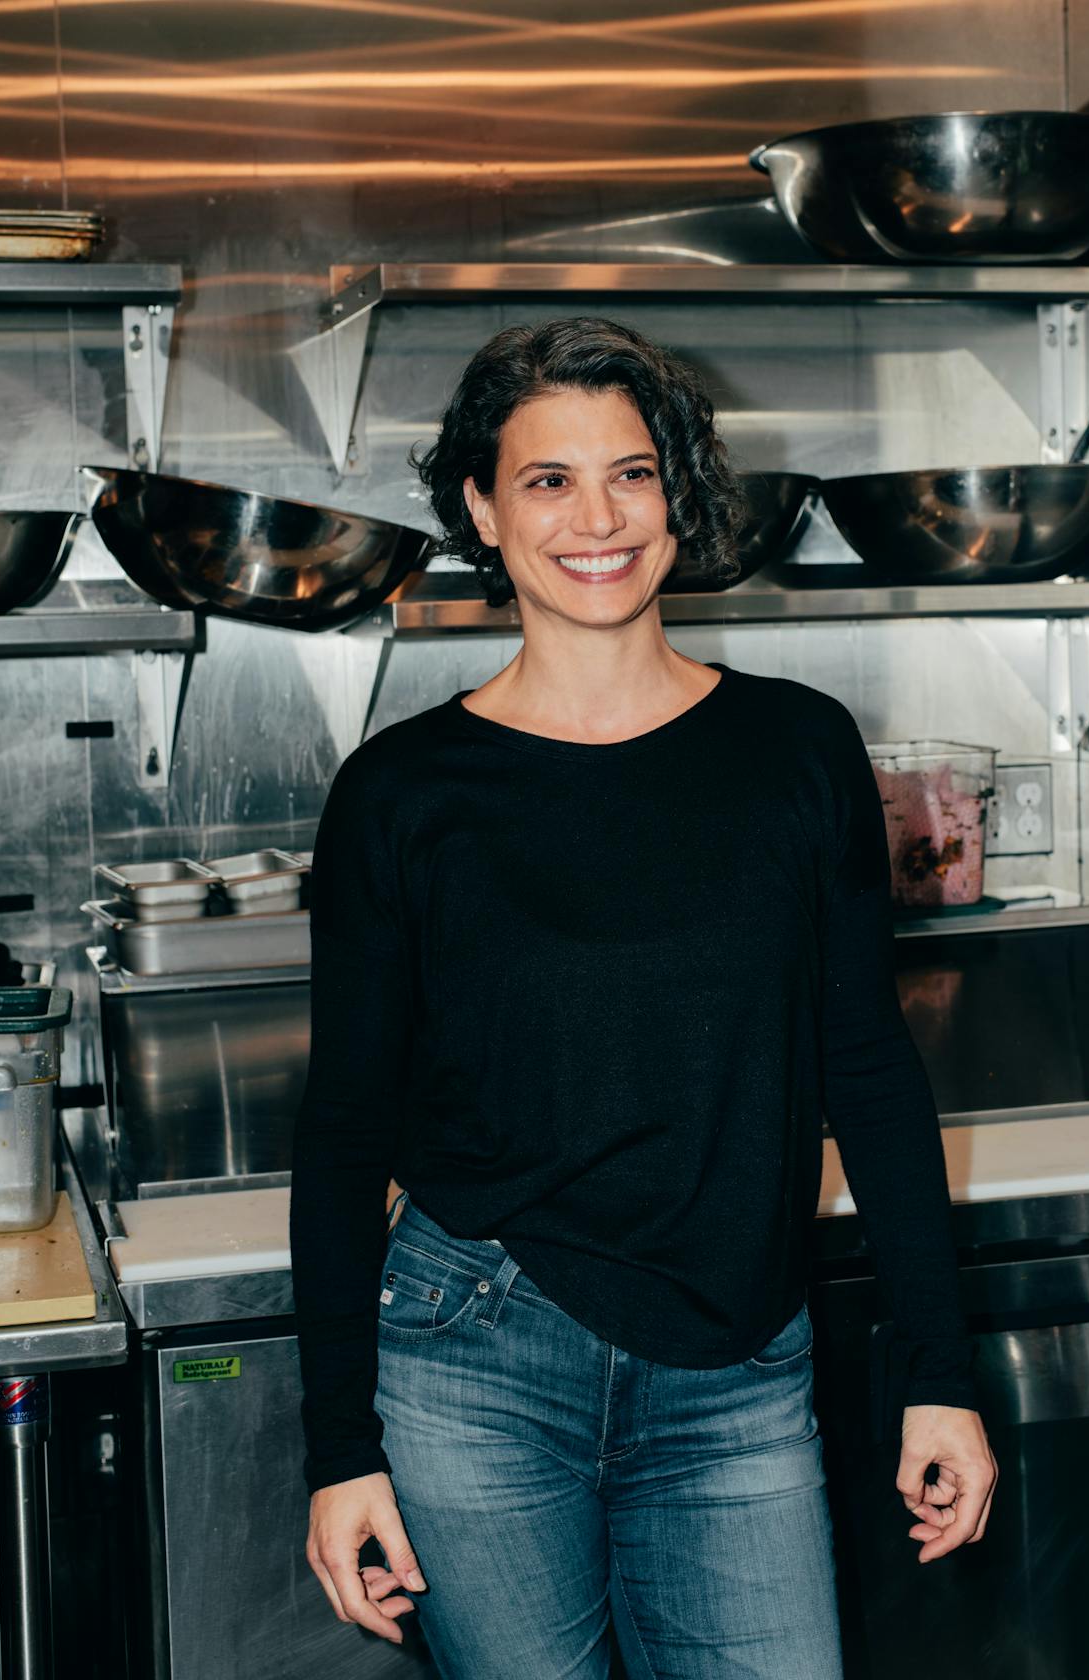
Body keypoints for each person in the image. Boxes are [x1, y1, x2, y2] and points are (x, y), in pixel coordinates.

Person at [289, 315, 998, 1678]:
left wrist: (940, 1375)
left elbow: (870, 1070)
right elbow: (344, 1131)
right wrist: (340, 1449)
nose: (596, 517)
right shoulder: (404, 793)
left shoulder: (796, 749)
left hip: (737, 1358)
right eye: (547, 480)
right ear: (483, 512)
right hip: (473, 1354)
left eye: (632, 471)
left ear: (680, 496)